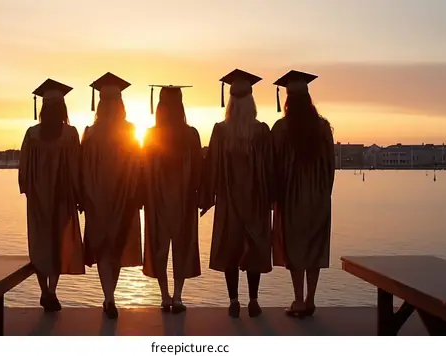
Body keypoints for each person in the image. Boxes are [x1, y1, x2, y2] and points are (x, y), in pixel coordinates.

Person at [199, 69, 274, 318]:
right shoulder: (262, 130)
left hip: (229, 201)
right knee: (253, 247)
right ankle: (253, 300)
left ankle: (233, 301)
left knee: (230, 247)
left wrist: (206, 197)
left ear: (229, 102)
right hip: (256, 200)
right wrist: (272, 198)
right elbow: (270, 167)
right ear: (251, 102)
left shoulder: (221, 130)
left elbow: (211, 166)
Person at [271, 70, 335, 318]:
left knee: (295, 248)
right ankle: (311, 299)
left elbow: (273, 165)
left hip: (291, 197)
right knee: (315, 246)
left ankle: (298, 299)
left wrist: (276, 195)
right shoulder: (322, 127)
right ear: (308, 99)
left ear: (287, 101)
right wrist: (324, 192)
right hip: (318, 197)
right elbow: (330, 166)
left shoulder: (280, 128)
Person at [18, 78, 85, 313]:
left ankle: (43, 290)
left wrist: (28, 189)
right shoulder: (70, 134)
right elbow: (77, 167)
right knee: (57, 243)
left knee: (40, 243)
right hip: (63, 197)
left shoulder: (32, 134)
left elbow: (24, 167)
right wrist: (79, 195)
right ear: (63, 109)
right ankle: (53, 291)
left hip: (38, 199)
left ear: (43, 108)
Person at [81, 72, 143, 319]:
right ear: (121, 104)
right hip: (123, 197)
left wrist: (85, 196)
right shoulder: (129, 131)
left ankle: (108, 296)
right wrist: (135, 194)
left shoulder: (91, 133)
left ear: (100, 104)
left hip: (97, 199)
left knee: (104, 249)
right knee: (115, 248)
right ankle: (110, 297)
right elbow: (138, 165)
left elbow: (82, 169)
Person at [142, 85, 202, 313]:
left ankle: (165, 295)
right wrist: (201, 196)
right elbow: (199, 169)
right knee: (181, 245)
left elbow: (143, 169)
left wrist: (141, 196)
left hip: (157, 199)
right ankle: (177, 296)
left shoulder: (150, 134)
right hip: (184, 199)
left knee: (159, 246)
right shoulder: (191, 134)